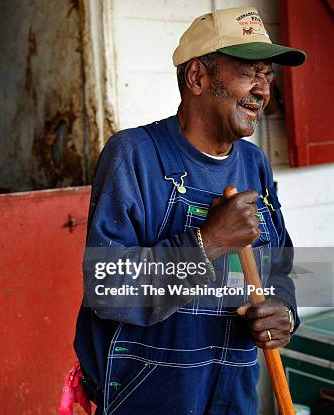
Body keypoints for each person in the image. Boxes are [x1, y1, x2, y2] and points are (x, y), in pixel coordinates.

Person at [73, 7, 306, 415]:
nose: (263, 90)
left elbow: (280, 268)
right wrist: (208, 241)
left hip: (234, 397)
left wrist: (282, 311)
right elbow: (107, 288)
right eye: (249, 72)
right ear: (197, 77)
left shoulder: (254, 165)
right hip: (148, 398)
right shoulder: (134, 156)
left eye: (267, 75)